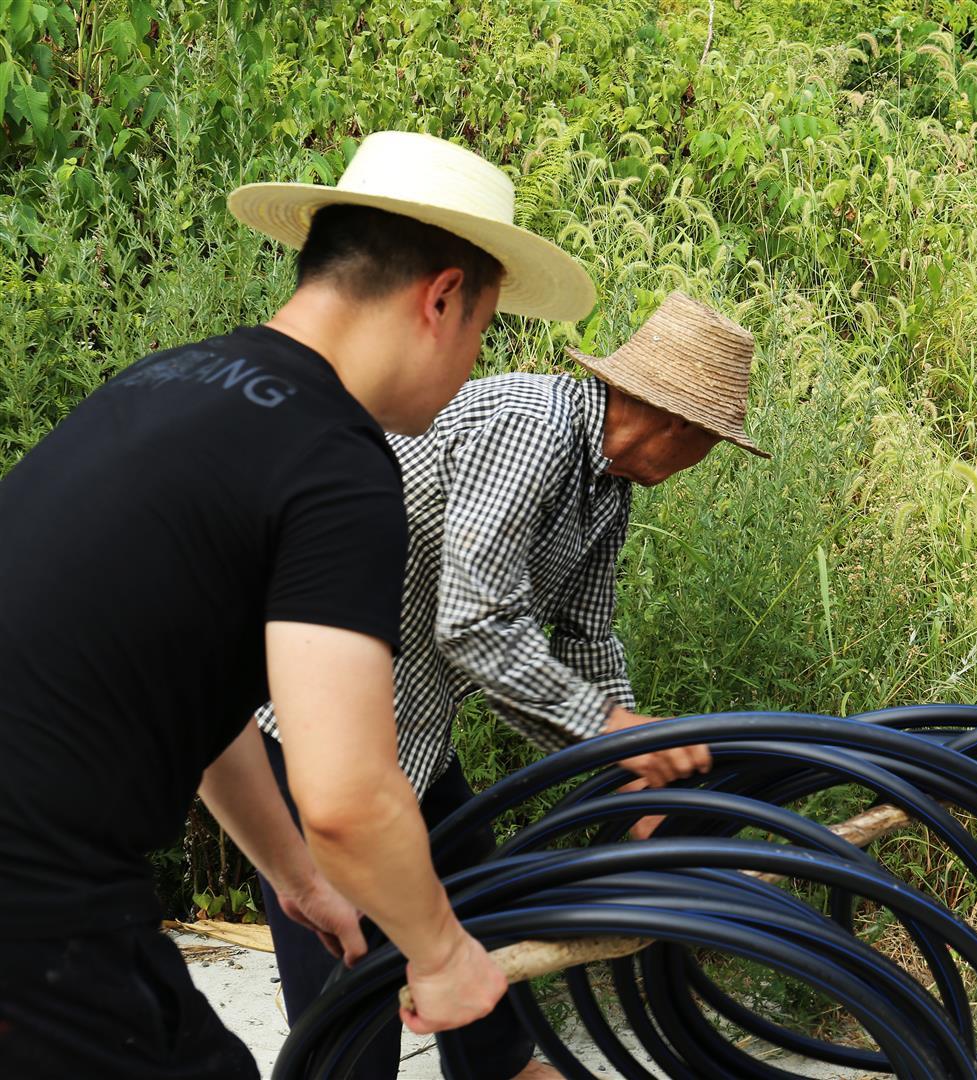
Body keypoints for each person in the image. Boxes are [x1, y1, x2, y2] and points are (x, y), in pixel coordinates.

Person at [0, 130, 596, 1077]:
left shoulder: (161, 384)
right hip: (35, 904)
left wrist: (295, 877)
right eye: (485, 330)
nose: (475, 366)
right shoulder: (336, 463)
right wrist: (443, 954)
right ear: (440, 298)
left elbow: (199, 703)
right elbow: (351, 797)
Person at [253, 291, 766, 1079]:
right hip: (312, 725)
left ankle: (503, 1068)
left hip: (404, 728)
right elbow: (476, 624)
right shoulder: (531, 427)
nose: (704, 459)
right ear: (674, 422)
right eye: (709, 442)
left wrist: (639, 767)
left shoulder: (606, 487)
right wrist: (609, 734)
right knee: (348, 969)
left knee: (474, 895)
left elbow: (588, 635)